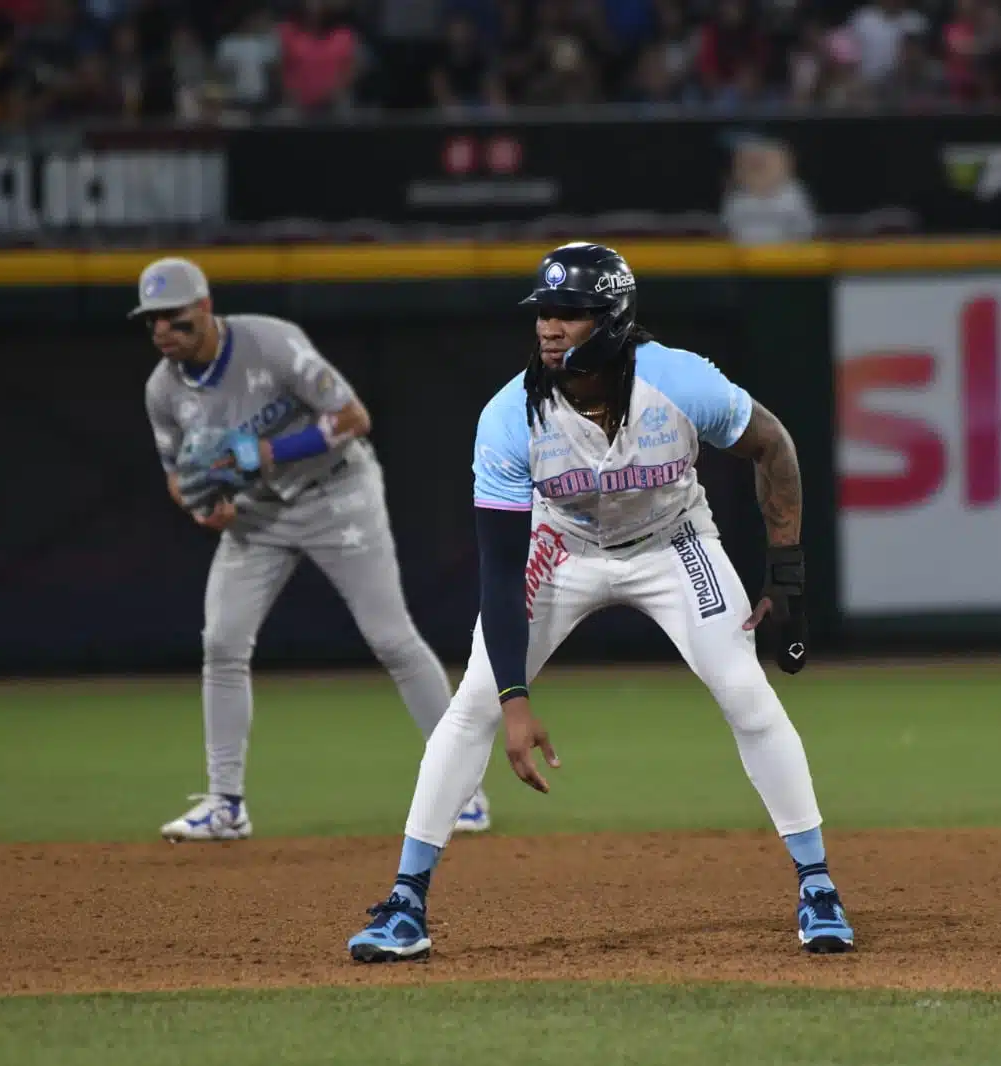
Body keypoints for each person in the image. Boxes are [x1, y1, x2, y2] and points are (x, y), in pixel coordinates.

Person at [346, 242, 855, 962]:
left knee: (746, 692)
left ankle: (817, 885)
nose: (549, 327)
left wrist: (789, 579)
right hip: (563, 552)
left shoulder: (677, 381)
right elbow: (497, 570)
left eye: (571, 313)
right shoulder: (508, 419)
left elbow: (774, 446)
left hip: (674, 543)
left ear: (612, 318)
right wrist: (516, 700)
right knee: (474, 705)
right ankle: (405, 901)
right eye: (544, 312)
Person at [137, 257, 489, 842]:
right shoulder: (162, 390)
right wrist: (201, 507)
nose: (163, 333)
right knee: (222, 642)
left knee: (392, 638)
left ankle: (464, 789)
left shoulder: (269, 342)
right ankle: (226, 804)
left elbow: (354, 417)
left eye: (174, 320)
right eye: (152, 323)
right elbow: (176, 474)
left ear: (204, 308)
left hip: (339, 495)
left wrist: (265, 455)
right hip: (258, 516)